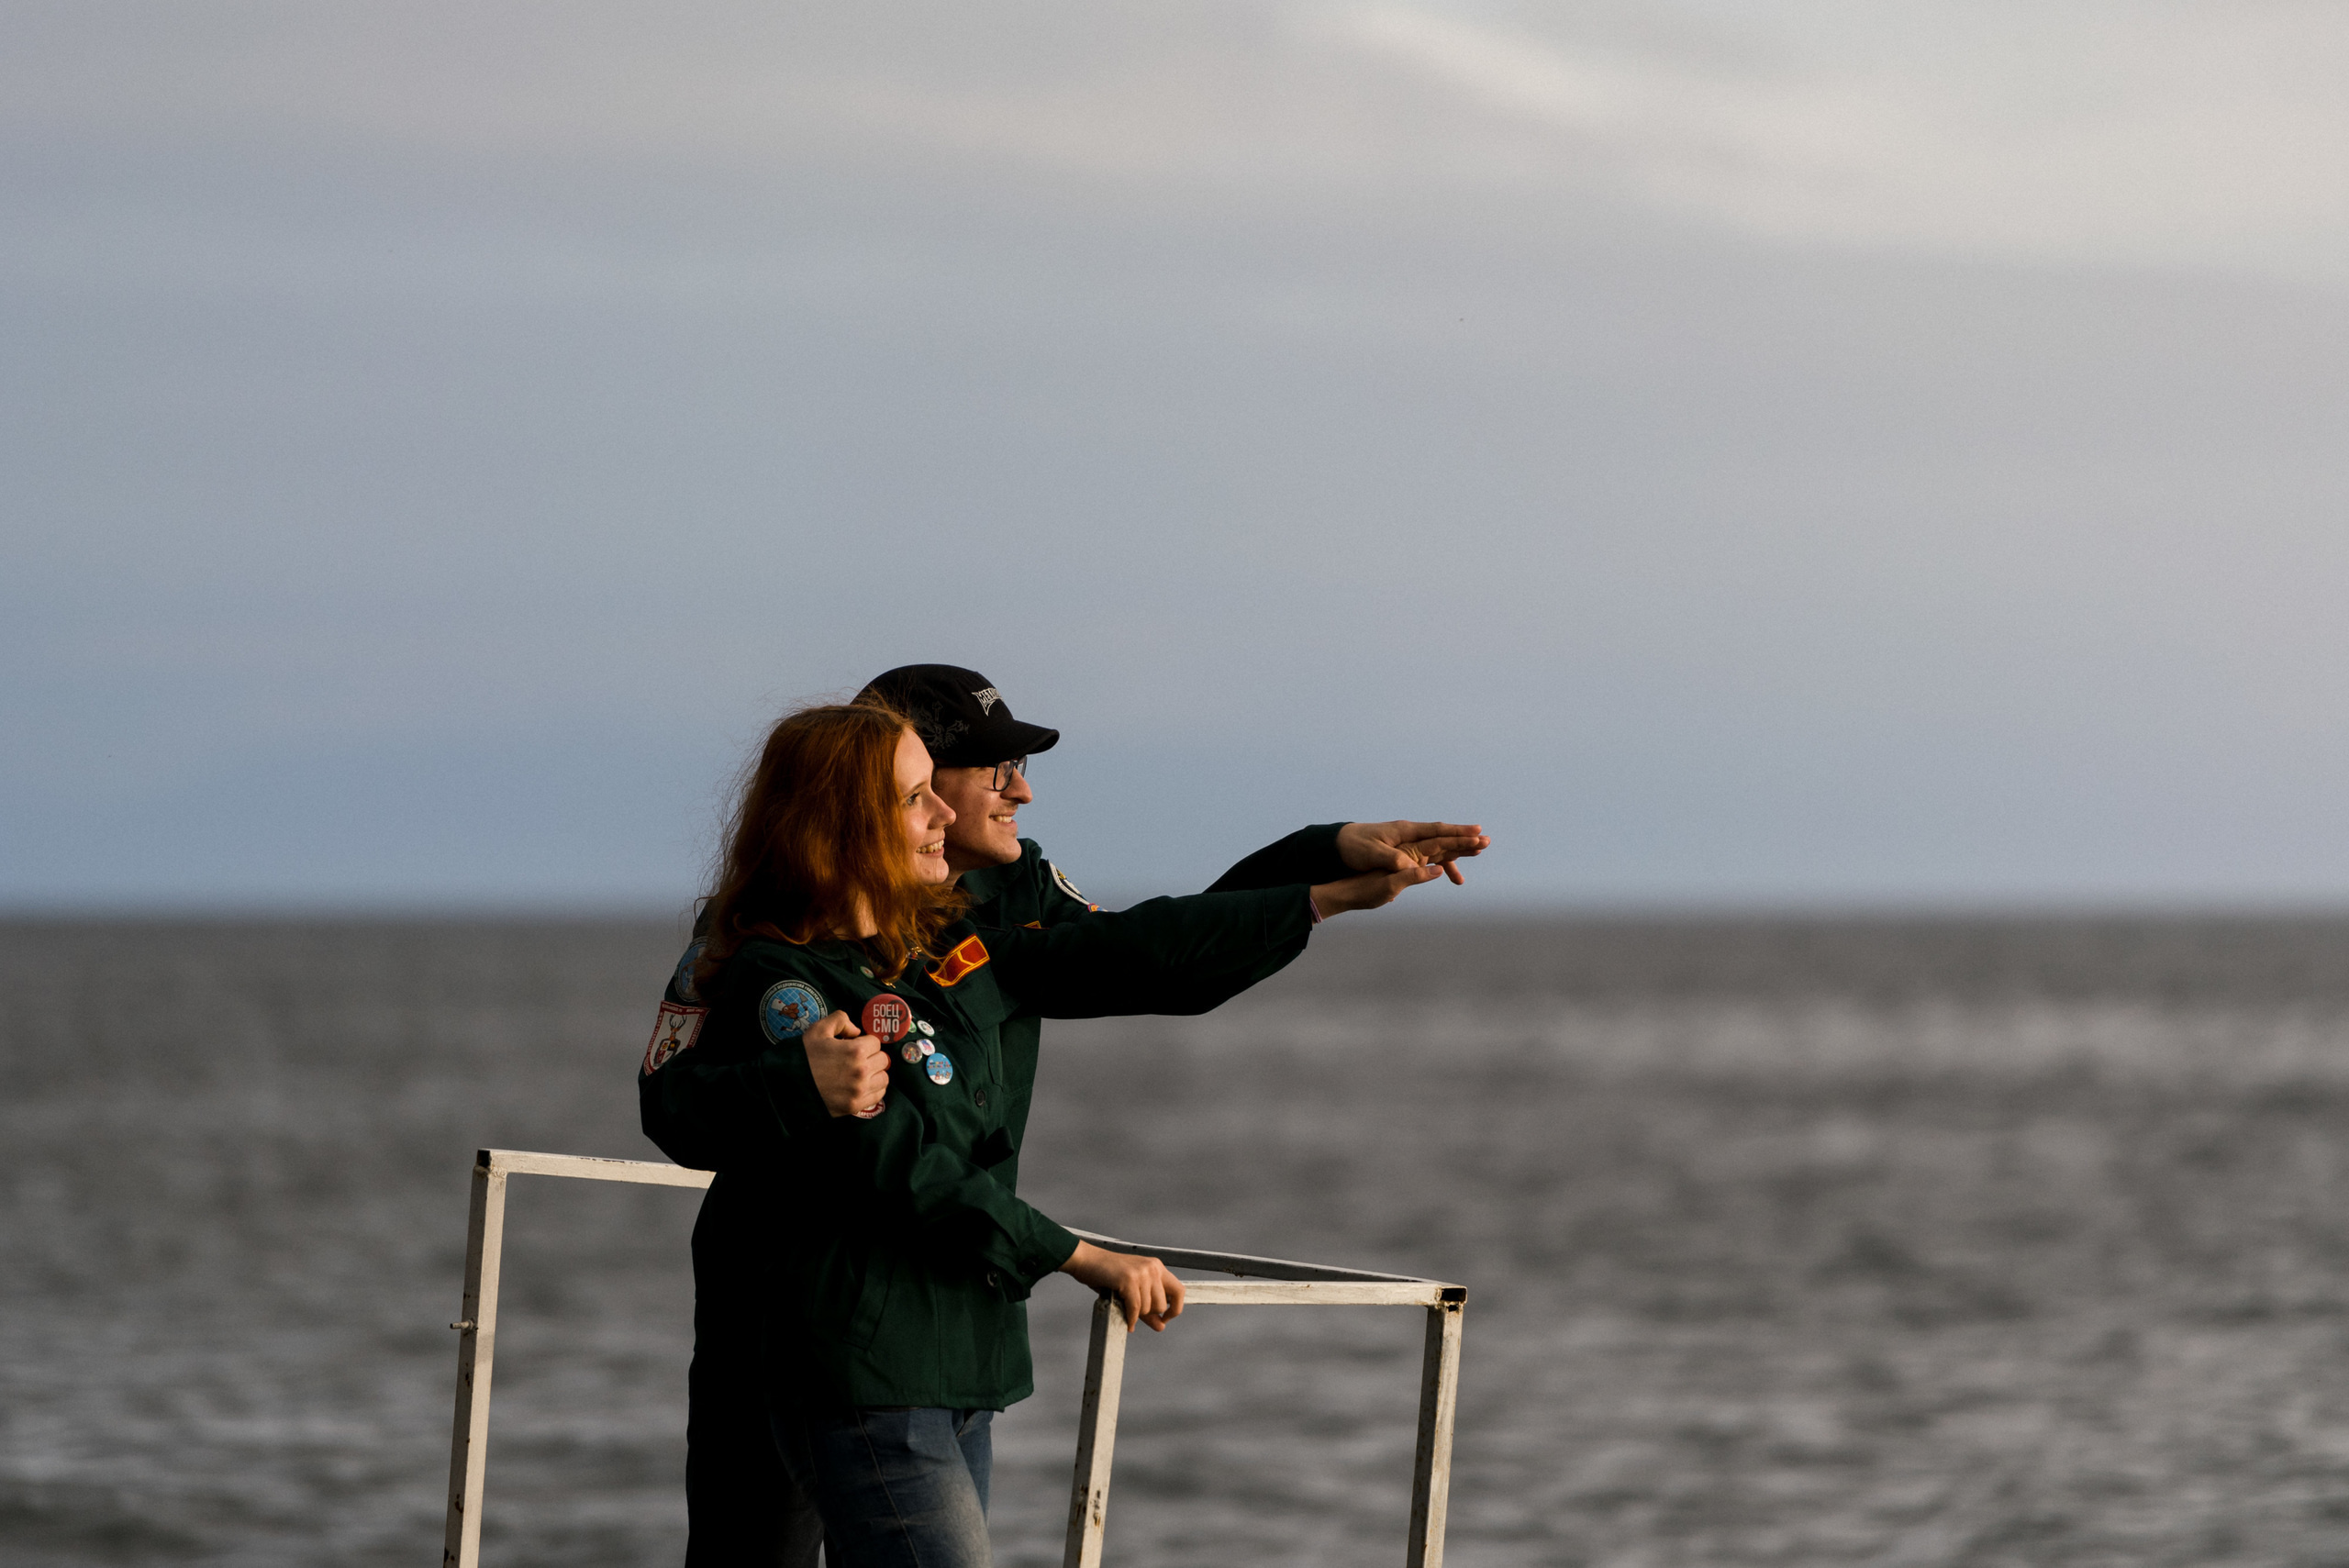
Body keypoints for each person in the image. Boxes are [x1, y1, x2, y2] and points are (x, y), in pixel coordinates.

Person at [639, 700, 1477, 1568]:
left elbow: (1145, 950)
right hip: (787, 1319)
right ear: (851, 810)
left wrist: (1322, 868)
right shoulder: (759, 949)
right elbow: (676, 1103)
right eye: (983, 774)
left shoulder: (970, 917)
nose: (1016, 793)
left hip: (945, 1330)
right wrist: (802, 1085)